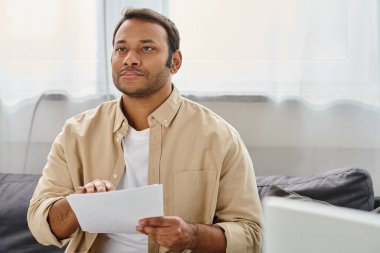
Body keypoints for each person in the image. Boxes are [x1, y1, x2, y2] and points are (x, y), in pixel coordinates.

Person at [27, 8, 263, 253]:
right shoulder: (75, 133)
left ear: (175, 61)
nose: (130, 59)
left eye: (146, 48)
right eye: (121, 49)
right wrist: (79, 206)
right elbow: (40, 223)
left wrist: (193, 236)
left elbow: (251, 234)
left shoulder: (219, 137)